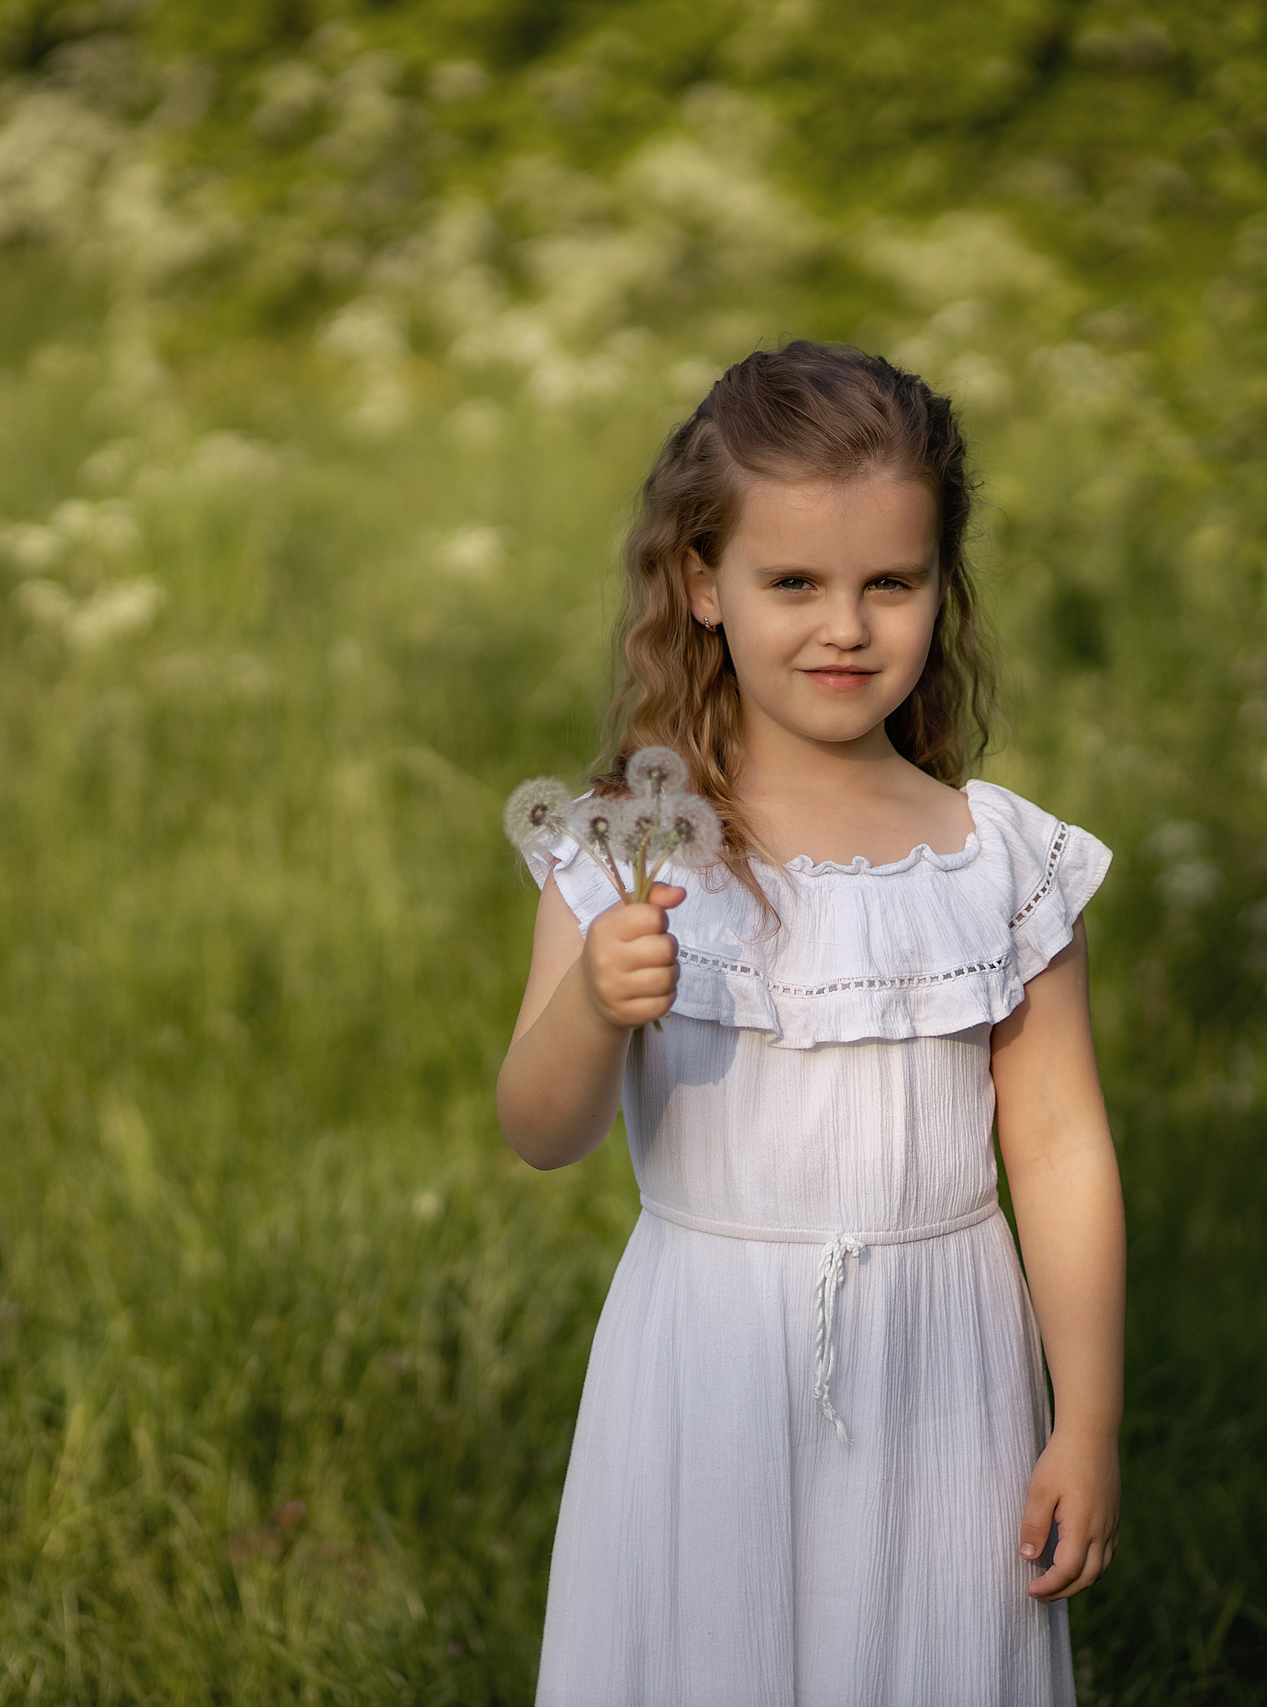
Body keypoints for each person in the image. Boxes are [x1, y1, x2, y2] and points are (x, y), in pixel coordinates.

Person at [498, 341, 1127, 1706]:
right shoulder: (626, 853)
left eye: (888, 583)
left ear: (937, 589)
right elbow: (540, 1131)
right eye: (794, 582)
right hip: (707, 1360)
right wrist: (596, 1005)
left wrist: (1085, 1421)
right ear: (701, 586)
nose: (846, 627)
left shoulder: (997, 861)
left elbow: (1065, 1149)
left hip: (947, 1369)